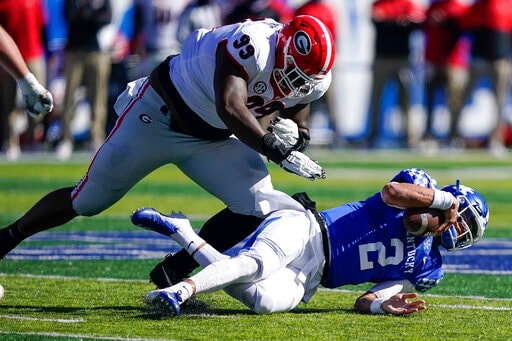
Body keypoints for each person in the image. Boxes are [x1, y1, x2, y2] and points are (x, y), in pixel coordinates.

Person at [0, 14, 335, 275]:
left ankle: (176, 269)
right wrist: (274, 148)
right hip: (157, 118)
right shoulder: (252, 43)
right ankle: (9, 236)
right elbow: (230, 106)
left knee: (258, 205)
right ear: (284, 45)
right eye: (294, 70)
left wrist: (301, 132)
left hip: (212, 139)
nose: (297, 81)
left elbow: (302, 94)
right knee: (87, 200)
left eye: (306, 78)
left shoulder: (312, 77)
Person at [131, 168, 489, 316]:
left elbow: (364, 301)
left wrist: (383, 306)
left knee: (261, 300)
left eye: (469, 228)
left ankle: (184, 233)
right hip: (307, 230)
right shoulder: (420, 187)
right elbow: (392, 192)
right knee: (256, 265)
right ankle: (180, 291)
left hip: (312, 276)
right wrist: (442, 204)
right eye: (465, 218)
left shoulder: (430, 268)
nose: (461, 230)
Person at [56, 0, 113, 160]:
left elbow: (106, 19)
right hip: (74, 51)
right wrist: (89, 14)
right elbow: (71, 18)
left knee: (98, 97)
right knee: (69, 97)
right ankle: (65, 138)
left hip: (97, 51)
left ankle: (96, 137)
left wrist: (87, 15)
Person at [367, 0, 426, 148]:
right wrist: (400, 23)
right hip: (382, 58)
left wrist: (391, 22)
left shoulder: (407, 4)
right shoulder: (379, 4)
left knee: (405, 99)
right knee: (376, 98)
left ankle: (409, 138)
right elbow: (378, 23)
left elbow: (419, 22)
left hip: (402, 59)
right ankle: (373, 135)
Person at [458, 0, 512, 157]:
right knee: (463, 97)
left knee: (499, 101)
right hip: (478, 60)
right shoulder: (476, 7)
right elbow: (464, 26)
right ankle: (455, 137)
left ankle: (496, 139)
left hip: (500, 60)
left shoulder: (507, 5)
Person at [0, 0, 50, 160]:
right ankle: (10, 143)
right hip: (9, 58)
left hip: (33, 55)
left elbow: (43, 28)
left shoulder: (35, 1)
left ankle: (33, 140)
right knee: (8, 104)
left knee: (39, 101)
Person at [422, 0, 471, 150]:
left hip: (454, 62)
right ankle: (429, 134)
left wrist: (447, 22)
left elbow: (463, 30)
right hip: (432, 60)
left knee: (454, 101)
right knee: (429, 101)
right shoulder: (433, 7)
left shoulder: (460, 8)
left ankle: (454, 136)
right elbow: (424, 28)